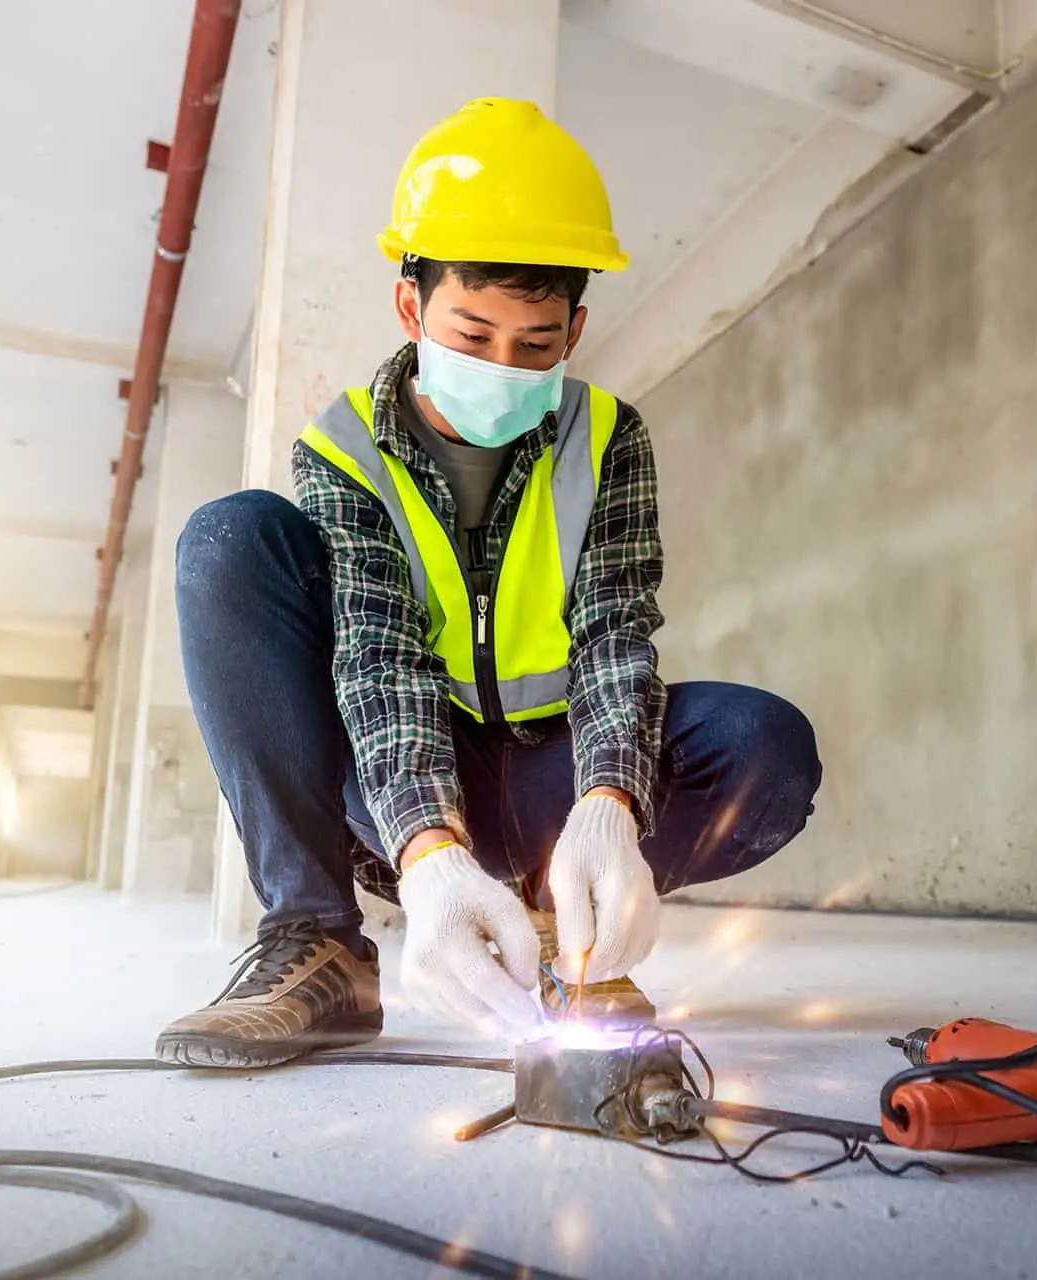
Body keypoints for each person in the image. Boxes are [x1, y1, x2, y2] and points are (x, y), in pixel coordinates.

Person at [155, 99, 822, 1069]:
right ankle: (319, 941)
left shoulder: (606, 438)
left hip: (554, 771)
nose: (503, 369)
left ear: (575, 328)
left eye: (536, 345)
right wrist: (428, 856)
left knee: (765, 743)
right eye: (471, 336)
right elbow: (378, 658)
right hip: (404, 790)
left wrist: (609, 805)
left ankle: (570, 920)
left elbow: (612, 635)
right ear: (410, 307)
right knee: (229, 540)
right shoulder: (344, 449)